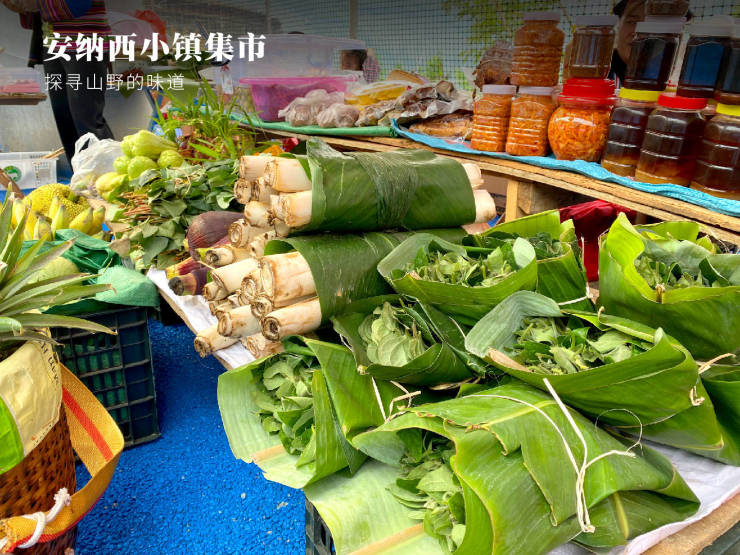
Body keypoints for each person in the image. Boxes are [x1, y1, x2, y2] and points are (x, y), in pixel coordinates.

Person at [1, 0, 114, 164]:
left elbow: (80, 4)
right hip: (52, 45)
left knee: (86, 117)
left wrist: (37, 3)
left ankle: (108, 172)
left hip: (83, 42)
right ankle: (81, 174)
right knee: (64, 117)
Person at [609, 0, 646, 85]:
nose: (636, 33)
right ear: (618, 26)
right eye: (631, 22)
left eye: (648, 24)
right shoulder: (599, 70)